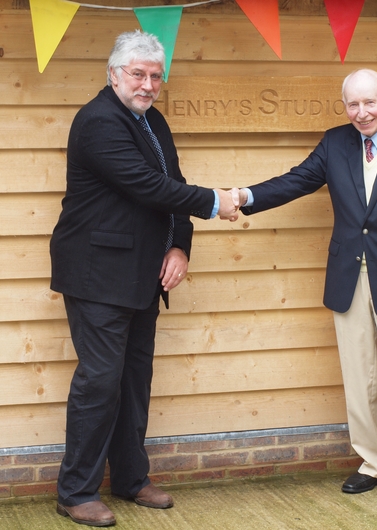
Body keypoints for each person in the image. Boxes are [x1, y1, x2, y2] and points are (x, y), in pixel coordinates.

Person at [49, 30, 238, 527]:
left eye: (156, 76)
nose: (148, 84)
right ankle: (76, 491)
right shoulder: (97, 122)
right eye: (138, 74)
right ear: (114, 75)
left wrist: (180, 245)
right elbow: (145, 184)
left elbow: (170, 186)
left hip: (143, 275)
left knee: (134, 381)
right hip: (97, 277)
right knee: (100, 383)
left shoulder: (153, 119)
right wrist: (216, 202)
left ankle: (131, 478)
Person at [236, 69, 377, 495]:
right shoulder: (335, 142)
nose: (361, 112)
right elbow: (297, 180)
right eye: (353, 104)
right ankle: (374, 463)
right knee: (361, 379)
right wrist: (245, 197)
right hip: (349, 279)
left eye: (370, 102)